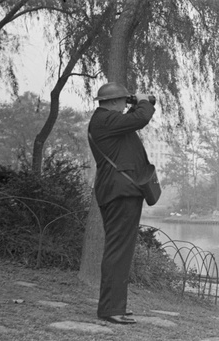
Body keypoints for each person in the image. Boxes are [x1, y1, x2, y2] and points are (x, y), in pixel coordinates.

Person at [88, 82, 156, 324]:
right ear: (116, 101)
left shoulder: (106, 121)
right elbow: (140, 118)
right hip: (120, 192)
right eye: (124, 100)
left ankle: (114, 305)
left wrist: (138, 103)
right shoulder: (105, 120)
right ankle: (111, 309)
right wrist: (143, 100)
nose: (126, 104)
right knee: (118, 251)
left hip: (119, 191)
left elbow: (132, 119)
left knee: (120, 250)